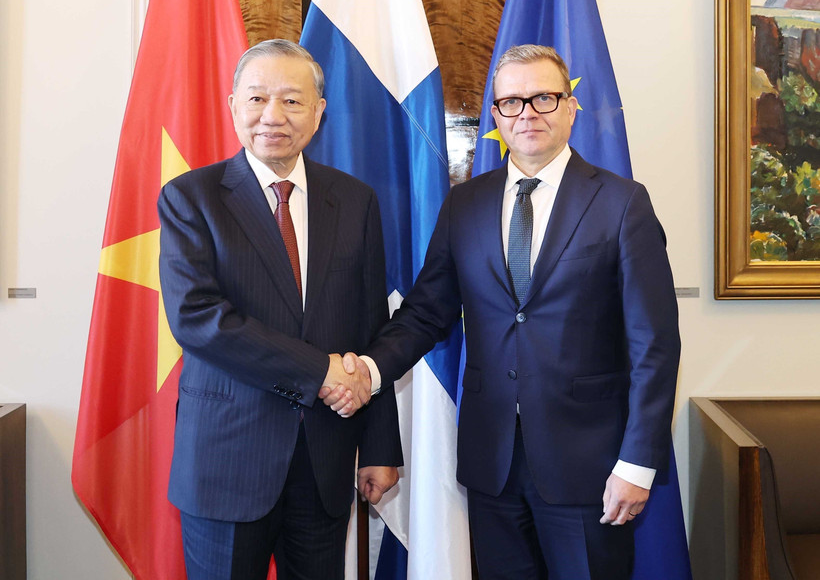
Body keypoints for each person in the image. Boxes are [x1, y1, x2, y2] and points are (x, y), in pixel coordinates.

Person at [323, 44, 680, 579]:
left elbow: (654, 344)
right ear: (495, 115)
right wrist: (368, 372)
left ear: (570, 107)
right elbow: (426, 313)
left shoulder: (622, 202)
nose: (528, 113)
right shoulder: (465, 204)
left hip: (591, 466)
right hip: (493, 462)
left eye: (543, 97)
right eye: (511, 102)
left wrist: (636, 463)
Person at [158, 39, 401, 580]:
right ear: (233, 106)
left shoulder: (355, 201)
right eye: (258, 98)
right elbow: (199, 319)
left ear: (318, 114)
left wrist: (381, 445)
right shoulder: (191, 198)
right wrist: (321, 372)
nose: (273, 116)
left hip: (325, 461)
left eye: (292, 101)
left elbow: (370, 325)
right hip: (227, 462)